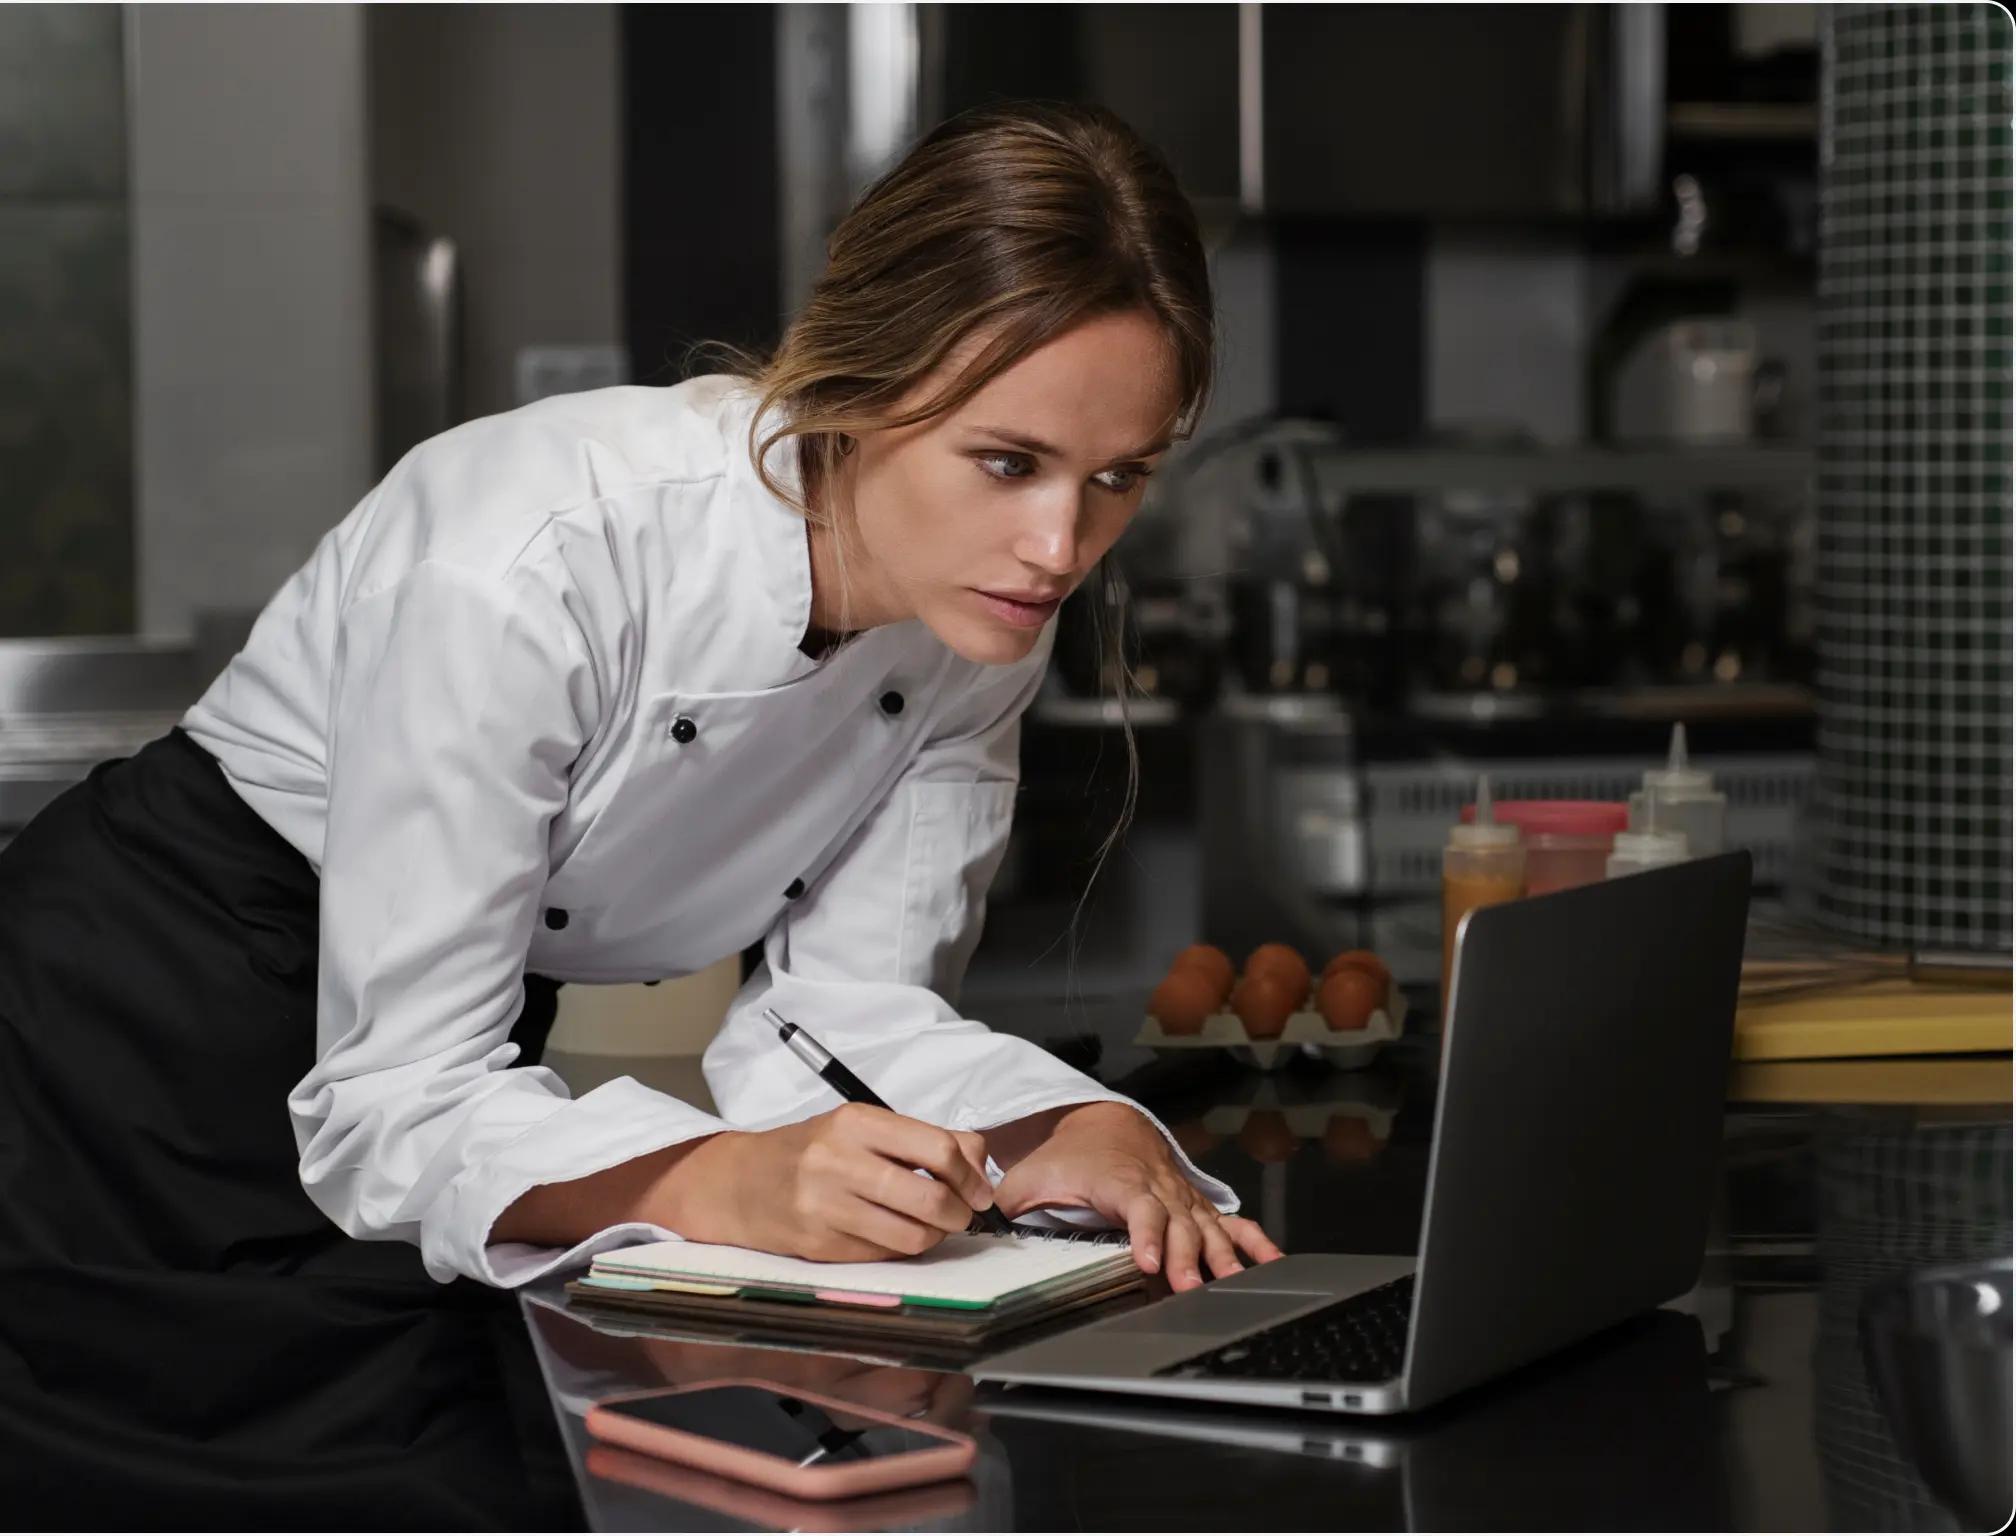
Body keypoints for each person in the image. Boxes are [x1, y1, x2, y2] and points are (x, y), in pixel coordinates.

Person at [0, 101, 1283, 1356]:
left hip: (471, 1071)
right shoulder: (538, 553)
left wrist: (1057, 1130)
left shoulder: (979, 615)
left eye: (1119, 477)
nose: (1062, 548)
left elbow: (841, 1014)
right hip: (131, 1025)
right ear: (860, 379)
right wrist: (721, 1182)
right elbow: (392, 1100)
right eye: (1008, 461)